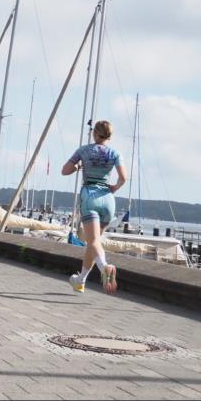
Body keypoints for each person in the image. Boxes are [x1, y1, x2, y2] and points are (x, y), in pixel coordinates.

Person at [61, 120, 127, 294]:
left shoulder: (84, 150)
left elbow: (65, 170)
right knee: (93, 244)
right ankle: (80, 280)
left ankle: (105, 267)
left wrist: (78, 165)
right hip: (108, 199)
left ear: (95, 134)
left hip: (90, 196)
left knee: (93, 241)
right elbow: (123, 178)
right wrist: (114, 187)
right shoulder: (115, 153)